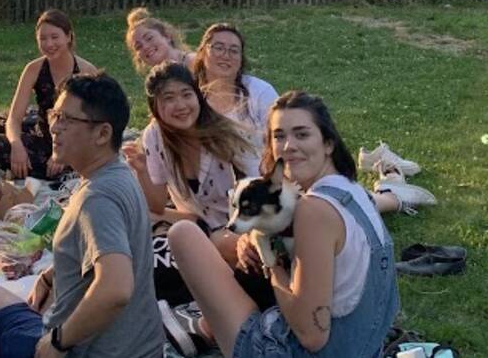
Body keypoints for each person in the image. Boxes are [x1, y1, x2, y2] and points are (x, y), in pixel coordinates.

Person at [166, 91, 399, 357]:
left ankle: (205, 326)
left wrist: (271, 263)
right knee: (231, 245)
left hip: (300, 350)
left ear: (328, 143)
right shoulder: (352, 191)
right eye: (279, 136)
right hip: (367, 346)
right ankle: (208, 323)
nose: (288, 146)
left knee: (183, 235)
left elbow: (311, 336)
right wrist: (255, 237)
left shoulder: (313, 211)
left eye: (301, 134)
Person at [0, 72, 163, 358]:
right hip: (141, 347)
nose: (55, 128)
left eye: (67, 120)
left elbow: (116, 288)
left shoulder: (98, 197)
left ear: (102, 134)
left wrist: (59, 342)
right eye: (55, 115)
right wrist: (51, 276)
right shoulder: (118, 174)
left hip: (79, 350)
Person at [122, 62, 259, 265]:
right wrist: (142, 170)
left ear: (197, 96)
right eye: (169, 98)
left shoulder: (228, 136)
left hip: (239, 229)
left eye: (187, 94)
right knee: (130, 209)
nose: (181, 105)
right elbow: (157, 205)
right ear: (155, 106)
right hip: (192, 225)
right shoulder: (154, 135)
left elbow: (260, 195)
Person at [0, 9, 97, 179]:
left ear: (68, 37)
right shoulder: (33, 69)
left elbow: (95, 123)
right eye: (43, 39)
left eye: (54, 37)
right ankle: (46, 173)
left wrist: (64, 153)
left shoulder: (87, 71)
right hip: (44, 140)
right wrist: (16, 147)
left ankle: (46, 174)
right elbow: (14, 119)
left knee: (89, 160)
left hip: (75, 142)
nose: (49, 44)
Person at [191, 23, 278, 148]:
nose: (226, 56)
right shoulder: (190, 96)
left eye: (234, 51)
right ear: (202, 53)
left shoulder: (260, 92)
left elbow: (280, 138)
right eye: (219, 48)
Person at [125, 8, 193, 73]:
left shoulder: (196, 64)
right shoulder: (155, 80)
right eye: (138, 46)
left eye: (149, 38)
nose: (145, 47)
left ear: (167, 35)